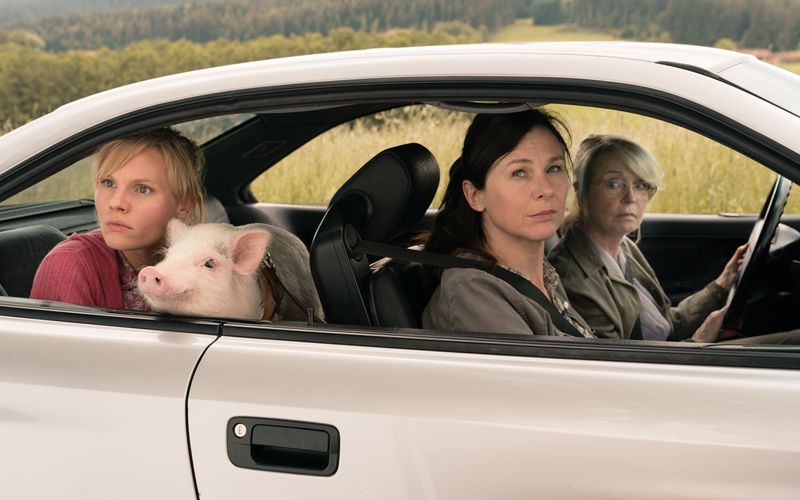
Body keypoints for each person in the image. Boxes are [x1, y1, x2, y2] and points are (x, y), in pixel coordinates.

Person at [549, 134, 797, 344]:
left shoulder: (623, 248)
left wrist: (722, 284)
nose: (631, 198)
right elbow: (621, 368)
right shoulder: (572, 278)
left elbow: (667, 325)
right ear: (581, 191)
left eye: (641, 185)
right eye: (614, 183)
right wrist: (699, 340)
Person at [421, 109, 594, 337]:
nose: (546, 190)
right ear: (475, 195)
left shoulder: (543, 276)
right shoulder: (473, 290)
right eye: (519, 173)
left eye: (554, 168)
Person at [30, 127, 205, 310]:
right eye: (108, 183)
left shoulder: (210, 267)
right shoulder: (68, 266)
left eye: (142, 189)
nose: (116, 203)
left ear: (184, 205)